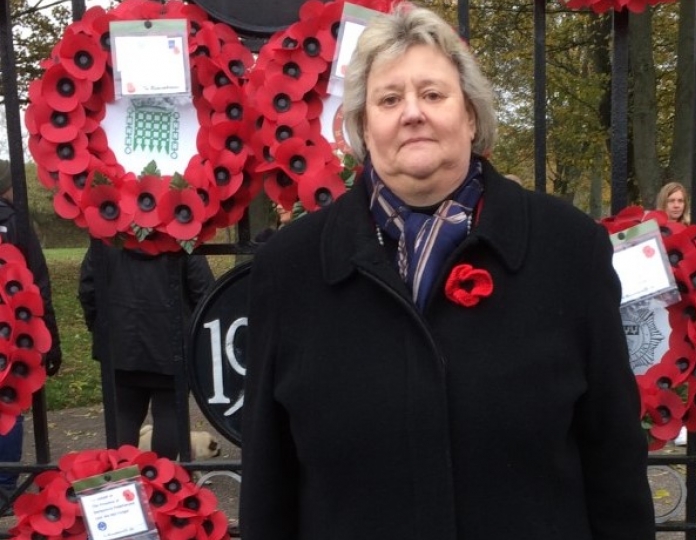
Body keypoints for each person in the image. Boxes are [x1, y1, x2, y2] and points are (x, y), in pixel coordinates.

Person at [241, 5, 655, 540]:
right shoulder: (289, 268)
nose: (412, 112)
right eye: (389, 99)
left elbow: (614, 459)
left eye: (433, 94)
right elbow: (268, 482)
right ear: (363, 126)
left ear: (472, 116)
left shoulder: (569, 249)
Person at [78, 243, 214, 459]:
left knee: (124, 415)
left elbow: (88, 288)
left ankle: (123, 483)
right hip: (171, 345)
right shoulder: (179, 234)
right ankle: (163, 483)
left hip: (120, 344)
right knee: (170, 414)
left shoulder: (108, 234)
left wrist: (100, 328)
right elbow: (204, 292)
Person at [0, 159, 62, 495]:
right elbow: (39, 283)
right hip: (13, 330)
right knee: (9, 403)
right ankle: (6, 485)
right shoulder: (16, 221)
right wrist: (50, 340)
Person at [655, 180, 691, 446]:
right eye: (672, 201)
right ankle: (659, 413)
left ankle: (680, 420)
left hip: (685, 304)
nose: (677, 205)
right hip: (660, 302)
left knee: (684, 359)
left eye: (680, 201)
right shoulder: (654, 229)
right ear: (664, 203)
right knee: (662, 357)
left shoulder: (690, 231)